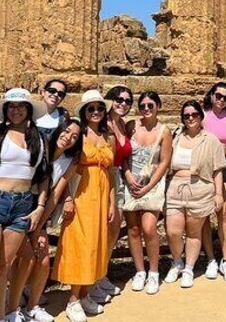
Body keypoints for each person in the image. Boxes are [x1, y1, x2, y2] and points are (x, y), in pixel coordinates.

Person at [0, 88, 48, 322]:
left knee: (4, 267)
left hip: (23, 205)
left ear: (29, 110)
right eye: (12, 106)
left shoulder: (39, 138)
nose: (16, 110)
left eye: (21, 106)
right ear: (6, 110)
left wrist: (39, 207)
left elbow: (43, 176)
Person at [52, 90, 117, 321]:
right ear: (84, 112)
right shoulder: (79, 137)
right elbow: (66, 170)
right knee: (79, 244)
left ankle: (86, 293)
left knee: (96, 244)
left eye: (100, 108)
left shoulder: (109, 138)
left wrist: (111, 204)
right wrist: (67, 198)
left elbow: (109, 173)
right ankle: (73, 299)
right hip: (81, 196)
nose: (96, 112)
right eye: (91, 109)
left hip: (100, 199)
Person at [11, 119, 84, 322]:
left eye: (75, 136)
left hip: (40, 210)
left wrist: (39, 227)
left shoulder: (71, 160)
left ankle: (32, 306)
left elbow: (55, 194)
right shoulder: (40, 147)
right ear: (59, 130)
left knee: (42, 259)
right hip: (20, 204)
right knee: (22, 259)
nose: (68, 137)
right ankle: (13, 306)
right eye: (66, 131)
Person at [163, 101, 226, 288]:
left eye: (194, 115)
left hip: (200, 188)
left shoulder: (211, 139)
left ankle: (189, 268)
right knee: (173, 231)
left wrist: (218, 193)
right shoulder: (175, 137)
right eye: (186, 115)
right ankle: (177, 262)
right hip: (175, 187)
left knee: (193, 232)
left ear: (201, 117)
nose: (190, 118)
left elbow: (218, 169)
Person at [123, 92, 172, 295]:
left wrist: (149, 186)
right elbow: (123, 153)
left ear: (158, 106)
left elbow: (164, 162)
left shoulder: (165, 131)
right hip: (131, 181)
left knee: (149, 228)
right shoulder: (131, 126)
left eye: (150, 105)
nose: (146, 109)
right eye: (142, 105)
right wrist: (127, 175)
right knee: (133, 229)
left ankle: (153, 271)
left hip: (152, 184)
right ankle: (140, 271)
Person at [93, 85, 134, 302]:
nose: (123, 104)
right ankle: (93, 280)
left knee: (112, 231)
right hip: (105, 179)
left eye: (128, 101)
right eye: (119, 99)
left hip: (118, 179)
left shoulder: (122, 124)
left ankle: (101, 275)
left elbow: (123, 157)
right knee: (102, 230)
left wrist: (128, 176)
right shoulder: (103, 124)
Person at [200, 81, 226, 282]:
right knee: (205, 215)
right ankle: (211, 259)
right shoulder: (203, 115)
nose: (222, 100)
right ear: (212, 95)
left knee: (224, 212)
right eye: (219, 96)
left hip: (224, 168)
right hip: (206, 168)